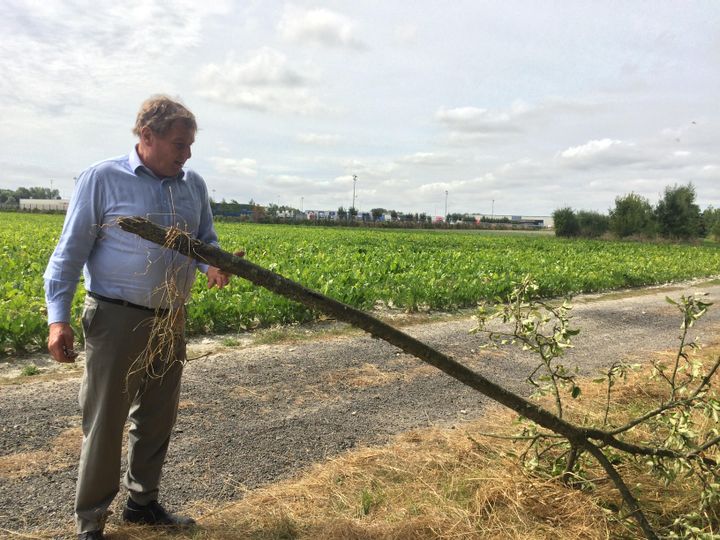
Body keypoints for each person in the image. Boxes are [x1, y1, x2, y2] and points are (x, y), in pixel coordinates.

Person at [45, 95, 235, 540]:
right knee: (106, 422)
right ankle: (91, 522)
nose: (186, 154)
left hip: (171, 318)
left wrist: (212, 266)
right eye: (178, 143)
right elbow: (68, 254)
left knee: (157, 418)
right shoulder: (103, 179)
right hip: (116, 317)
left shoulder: (193, 186)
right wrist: (59, 319)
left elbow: (204, 240)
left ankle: (142, 504)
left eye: (189, 145)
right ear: (146, 137)